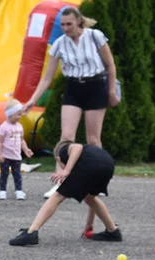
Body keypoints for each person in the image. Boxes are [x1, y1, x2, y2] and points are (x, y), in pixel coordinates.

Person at [23, 6, 120, 228]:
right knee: (66, 137)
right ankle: (60, 180)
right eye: (63, 25)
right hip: (74, 88)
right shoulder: (59, 45)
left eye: (69, 24)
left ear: (79, 22)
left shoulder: (95, 36)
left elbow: (110, 64)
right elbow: (46, 78)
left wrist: (112, 91)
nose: (66, 28)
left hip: (96, 85)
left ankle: (96, 181)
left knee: (94, 140)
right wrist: (31, 101)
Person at [8, 140, 122, 247]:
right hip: (108, 165)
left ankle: (31, 232)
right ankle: (112, 231)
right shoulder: (89, 153)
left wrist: (66, 170)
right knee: (90, 197)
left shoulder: (63, 150)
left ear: (58, 159)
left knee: (57, 196)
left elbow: (77, 147)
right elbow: (91, 199)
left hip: (91, 166)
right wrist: (89, 225)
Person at [0, 98, 33, 200]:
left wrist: (26, 149)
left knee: (17, 174)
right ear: (9, 114)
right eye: (17, 114)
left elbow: (21, 140)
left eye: (20, 114)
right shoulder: (3, 127)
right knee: (4, 174)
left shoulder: (19, 127)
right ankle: (2, 191)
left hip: (16, 156)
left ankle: (19, 191)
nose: (19, 117)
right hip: (5, 155)